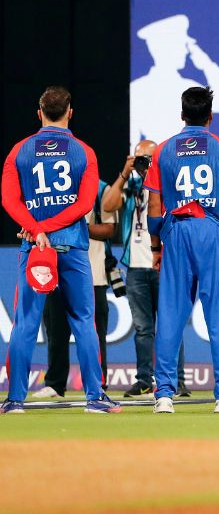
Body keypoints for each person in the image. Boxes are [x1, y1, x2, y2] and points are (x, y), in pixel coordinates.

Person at [1, 86, 120, 413]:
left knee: (25, 323)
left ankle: (14, 400)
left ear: (39, 113)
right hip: (72, 248)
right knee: (84, 321)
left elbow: (9, 200)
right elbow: (84, 204)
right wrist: (50, 228)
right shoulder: (84, 152)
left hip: (34, 248)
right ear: (70, 112)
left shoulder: (19, 151)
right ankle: (94, 397)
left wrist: (37, 229)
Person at [145, 86, 219, 414]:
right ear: (210, 116)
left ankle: (164, 395)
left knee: (170, 317)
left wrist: (156, 246)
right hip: (213, 233)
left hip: (176, 232)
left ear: (182, 114)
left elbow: (154, 206)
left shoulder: (164, 150)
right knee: (218, 318)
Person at [101, 139, 188, 398]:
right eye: (139, 158)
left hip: (164, 263)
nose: (143, 164)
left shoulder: (168, 181)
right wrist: (125, 173)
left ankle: (177, 381)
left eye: (148, 158)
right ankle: (144, 380)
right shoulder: (130, 185)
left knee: (171, 325)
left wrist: (156, 174)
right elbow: (108, 205)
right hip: (136, 267)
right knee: (142, 329)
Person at [34, 179, 115, 398]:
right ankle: (55, 383)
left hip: (93, 274)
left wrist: (76, 229)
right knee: (56, 330)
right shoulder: (52, 190)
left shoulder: (101, 189)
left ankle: (98, 383)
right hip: (57, 269)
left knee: (93, 331)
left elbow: (110, 229)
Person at [130, 15, 219, 143]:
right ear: (164, 48)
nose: (186, 51)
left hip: (192, 152)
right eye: (181, 45)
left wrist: (207, 64)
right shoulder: (138, 89)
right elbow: (132, 140)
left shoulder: (189, 88)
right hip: (158, 154)